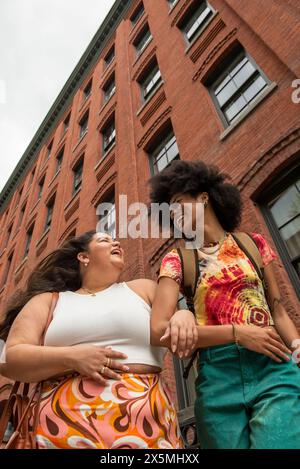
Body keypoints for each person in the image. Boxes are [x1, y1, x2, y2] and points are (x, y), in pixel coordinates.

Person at [149, 159, 300, 449]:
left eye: (179, 202)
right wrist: (237, 333)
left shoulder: (253, 243)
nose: (174, 212)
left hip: (274, 365)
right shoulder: (177, 259)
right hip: (217, 377)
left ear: (203, 197)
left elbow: (277, 309)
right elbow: (158, 330)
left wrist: (297, 349)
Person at [0, 230, 183, 449]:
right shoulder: (49, 301)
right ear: (83, 257)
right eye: (105, 240)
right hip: (60, 433)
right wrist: (73, 357)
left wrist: (184, 314)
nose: (116, 242)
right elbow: (11, 358)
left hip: (150, 429)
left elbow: (179, 339)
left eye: (115, 240)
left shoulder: (143, 289)